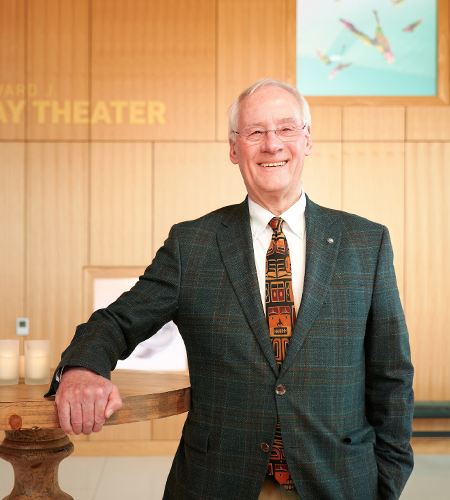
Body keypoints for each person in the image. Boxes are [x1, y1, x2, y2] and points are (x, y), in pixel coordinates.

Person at [45, 78, 414, 500]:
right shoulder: (192, 244)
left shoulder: (366, 242)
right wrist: (82, 369)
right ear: (234, 149)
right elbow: (117, 321)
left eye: (286, 129)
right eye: (255, 132)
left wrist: (386, 481)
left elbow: (392, 375)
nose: (272, 144)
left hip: (340, 482)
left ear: (307, 140)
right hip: (217, 482)